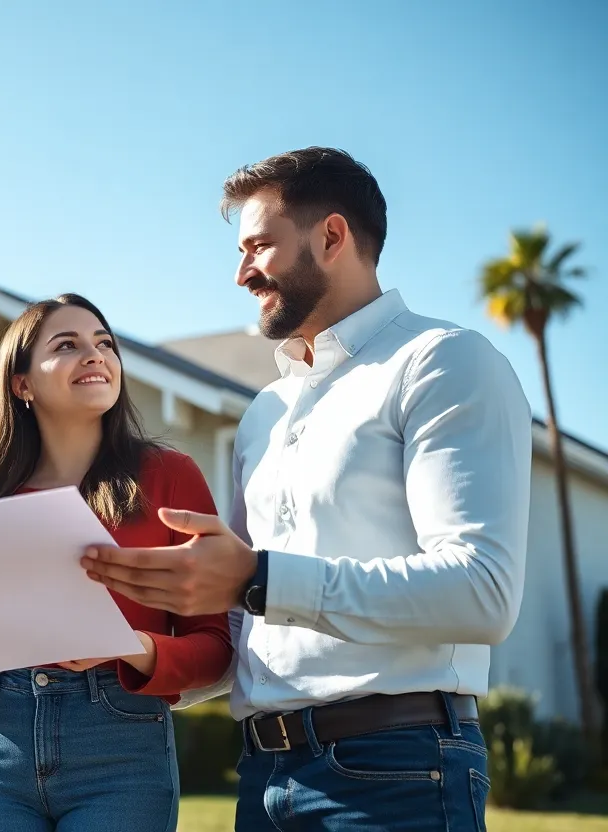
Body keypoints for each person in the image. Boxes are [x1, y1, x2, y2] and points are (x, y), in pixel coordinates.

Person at [81, 147, 533, 831]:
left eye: (259, 245)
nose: (240, 274)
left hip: (399, 771)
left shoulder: (442, 362)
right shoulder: (265, 412)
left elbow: (483, 592)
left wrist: (258, 577)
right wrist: (127, 648)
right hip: (264, 778)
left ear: (331, 236)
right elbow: (242, 627)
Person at [0, 293, 234, 832]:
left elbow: (216, 650)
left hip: (120, 753)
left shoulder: (169, 476)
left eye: (104, 344)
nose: (95, 355)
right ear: (21, 383)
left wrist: (133, 647)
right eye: (67, 345)